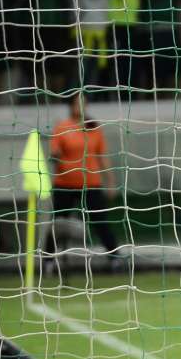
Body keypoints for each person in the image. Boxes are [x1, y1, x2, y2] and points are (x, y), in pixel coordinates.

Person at [44, 93, 122, 273]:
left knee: (100, 221)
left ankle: (115, 258)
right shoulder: (61, 127)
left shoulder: (93, 127)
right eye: (77, 103)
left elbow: (102, 156)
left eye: (83, 103)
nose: (80, 106)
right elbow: (54, 152)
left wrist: (110, 181)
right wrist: (55, 157)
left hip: (91, 183)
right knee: (57, 223)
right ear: (71, 105)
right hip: (65, 183)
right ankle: (48, 260)